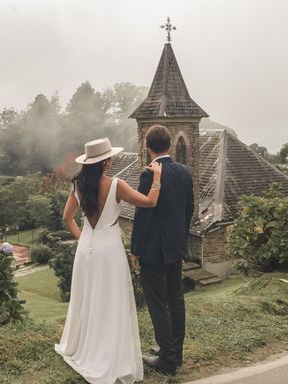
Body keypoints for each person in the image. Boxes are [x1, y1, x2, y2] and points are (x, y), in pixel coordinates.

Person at [55, 137, 163, 384]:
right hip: (109, 249)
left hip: (86, 249)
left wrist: (84, 237)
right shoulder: (116, 185)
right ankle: (106, 352)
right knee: (111, 299)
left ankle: (84, 346)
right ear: (105, 163)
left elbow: (67, 217)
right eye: (109, 158)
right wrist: (157, 177)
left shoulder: (78, 186)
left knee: (88, 297)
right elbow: (149, 202)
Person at [130, 125, 194, 375]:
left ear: (147, 146)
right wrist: (182, 240)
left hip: (154, 251)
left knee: (158, 304)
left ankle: (167, 359)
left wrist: (135, 249)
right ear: (169, 145)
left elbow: (143, 215)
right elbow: (189, 209)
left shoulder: (148, 175)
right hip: (176, 247)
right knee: (176, 301)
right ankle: (174, 352)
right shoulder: (184, 172)